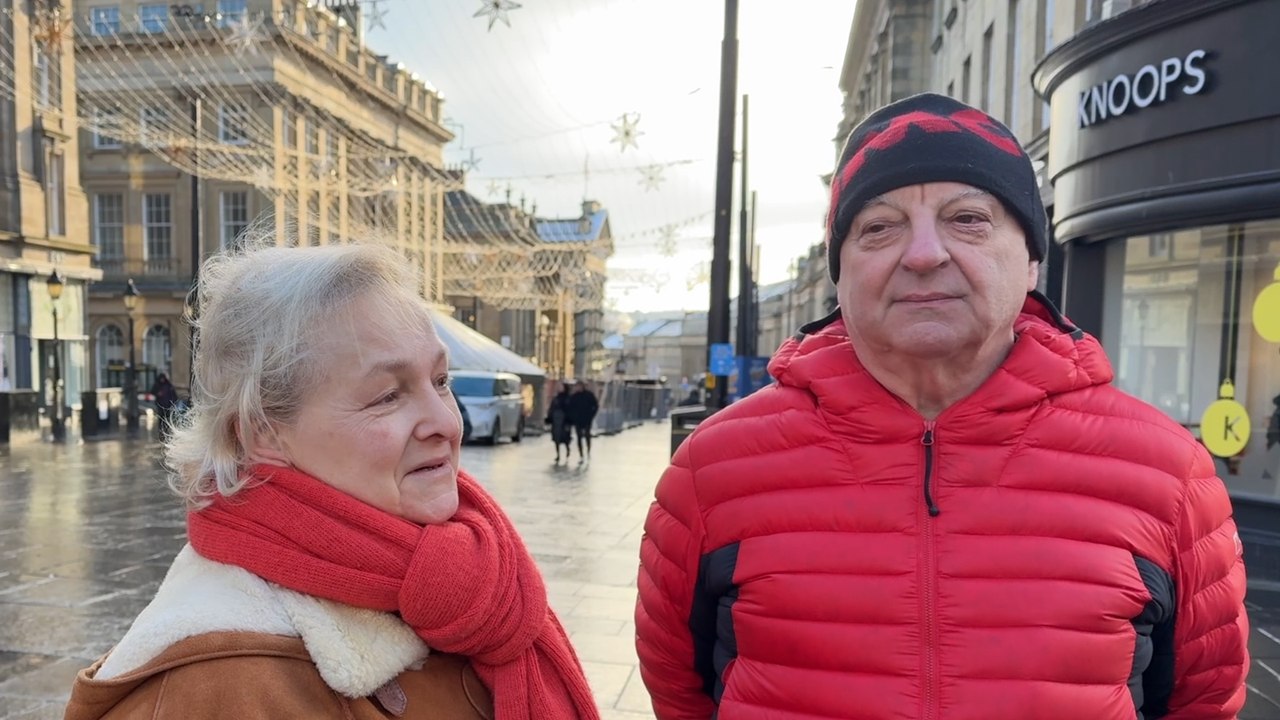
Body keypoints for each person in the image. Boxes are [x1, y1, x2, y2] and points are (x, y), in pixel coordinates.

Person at [635, 94, 1249, 719]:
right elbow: (679, 691)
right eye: (878, 226)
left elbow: (1203, 699)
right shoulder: (714, 470)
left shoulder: (1169, 477)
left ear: (1032, 258)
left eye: (969, 218)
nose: (924, 253)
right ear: (840, 272)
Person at [64, 242, 599, 719]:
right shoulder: (221, 685)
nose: (445, 421)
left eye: (440, 380)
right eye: (388, 395)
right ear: (264, 432)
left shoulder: (475, 576)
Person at [566, 380, 598, 462]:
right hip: (577, 420)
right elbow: (569, 408)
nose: (578, 388)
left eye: (579, 386)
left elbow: (595, 405)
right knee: (579, 437)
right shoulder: (574, 397)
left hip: (587, 419)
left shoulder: (589, 395)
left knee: (587, 435)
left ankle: (588, 451)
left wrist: (591, 415)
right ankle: (581, 454)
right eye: (577, 386)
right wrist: (572, 418)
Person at [546, 384, 573, 463]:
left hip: (564, 420)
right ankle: (558, 454)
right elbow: (552, 408)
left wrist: (569, 420)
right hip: (556, 420)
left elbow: (570, 409)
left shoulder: (568, 398)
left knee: (565, 437)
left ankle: (567, 449)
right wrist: (549, 417)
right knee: (556, 438)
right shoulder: (556, 398)